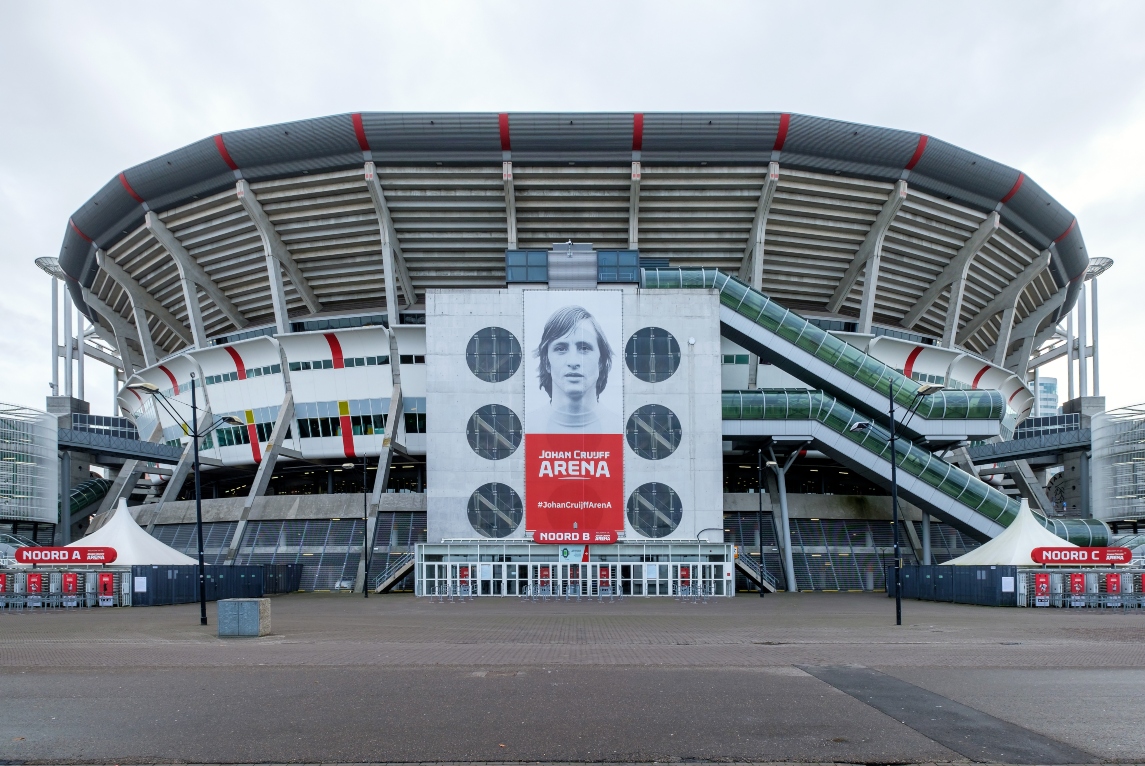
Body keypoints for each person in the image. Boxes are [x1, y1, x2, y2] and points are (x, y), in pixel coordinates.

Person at [534, 305, 617, 433]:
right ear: (546, 362)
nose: (573, 362)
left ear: (601, 361)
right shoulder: (527, 428)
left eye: (584, 348)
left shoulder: (620, 429)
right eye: (561, 349)